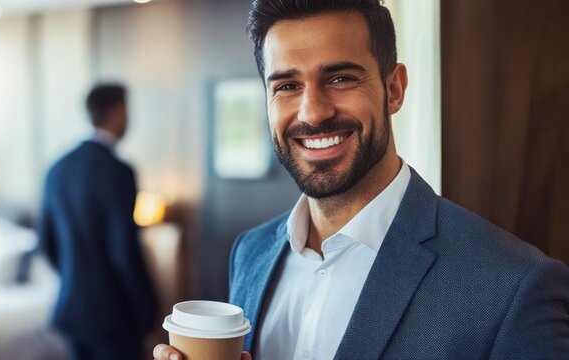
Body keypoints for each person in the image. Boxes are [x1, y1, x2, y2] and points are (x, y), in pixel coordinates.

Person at [154, 1, 569, 359]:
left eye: (340, 78)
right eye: (287, 85)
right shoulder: (251, 252)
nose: (312, 112)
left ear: (393, 88)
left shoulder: (514, 285)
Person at [39, 84, 158, 360]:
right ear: (117, 112)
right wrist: (148, 309)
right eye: (126, 110)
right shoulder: (119, 172)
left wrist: (76, 275)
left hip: (72, 307)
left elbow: (46, 241)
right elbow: (124, 250)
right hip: (114, 314)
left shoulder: (57, 169)